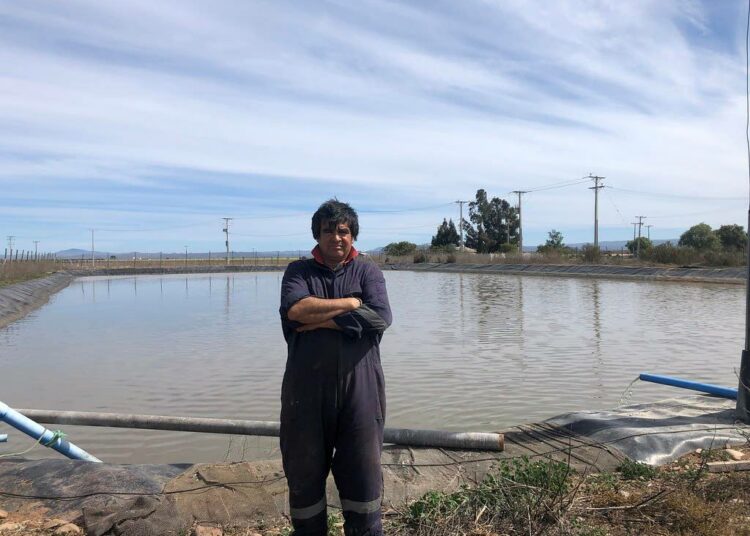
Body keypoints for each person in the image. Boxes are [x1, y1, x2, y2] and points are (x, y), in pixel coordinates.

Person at [279, 199, 392, 535]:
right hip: (305, 395)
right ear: (317, 235)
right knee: (304, 480)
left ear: (352, 236)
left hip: (362, 392)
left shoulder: (368, 271)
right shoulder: (298, 272)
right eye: (329, 231)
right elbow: (297, 310)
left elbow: (380, 317)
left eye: (343, 231)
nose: (336, 237)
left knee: (363, 481)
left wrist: (322, 320)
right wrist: (351, 304)